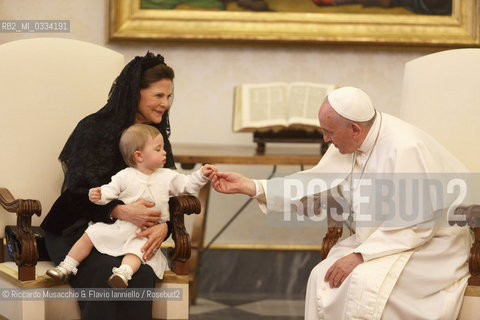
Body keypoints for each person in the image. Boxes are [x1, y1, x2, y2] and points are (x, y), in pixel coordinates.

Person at [211, 86, 472, 319]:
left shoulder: (406, 148)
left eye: (328, 132)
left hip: (431, 246)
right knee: (320, 277)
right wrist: (252, 186)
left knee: (358, 279)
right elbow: (316, 189)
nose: (325, 139)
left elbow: (418, 225)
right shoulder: (351, 143)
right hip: (382, 241)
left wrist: (360, 256)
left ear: (355, 129)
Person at [41, 52, 179, 319]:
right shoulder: (93, 128)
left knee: (140, 274)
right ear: (134, 93)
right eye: (158, 95)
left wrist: (166, 227)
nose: (166, 104)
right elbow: (76, 197)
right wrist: (121, 211)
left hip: (129, 236)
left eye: (169, 96)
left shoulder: (156, 135)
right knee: (106, 272)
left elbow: (168, 192)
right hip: (78, 230)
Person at [46, 124, 216, 288]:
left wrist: (202, 174)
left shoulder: (168, 176)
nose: (165, 153)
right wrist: (99, 195)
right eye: (158, 149)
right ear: (139, 156)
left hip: (144, 232)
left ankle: (123, 274)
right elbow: (110, 191)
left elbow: (187, 184)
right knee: (91, 233)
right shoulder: (125, 176)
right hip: (121, 226)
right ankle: (66, 266)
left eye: (163, 148)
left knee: (139, 250)